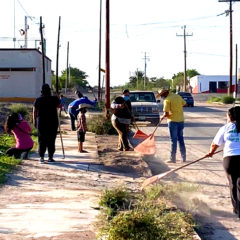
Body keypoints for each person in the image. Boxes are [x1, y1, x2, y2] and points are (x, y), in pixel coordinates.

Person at [206, 106, 240, 218]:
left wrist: (211, 152)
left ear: (229, 116)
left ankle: (237, 209)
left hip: (230, 159)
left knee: (233, 184)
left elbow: (215, 143)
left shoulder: (225, 128)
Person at [33, 84, 60, 164]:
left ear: (42, 91)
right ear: (49, 91)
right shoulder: (54, 99)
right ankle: (50, 157)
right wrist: (57, 96)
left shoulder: (38, 99)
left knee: (42, 139)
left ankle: (41, 157)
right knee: (51, 139)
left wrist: (34, 121)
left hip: (41, 122)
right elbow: (59, 106)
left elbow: (34, 111)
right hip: (52, 122)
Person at [158, 88, 187, 163]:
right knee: (181, 139)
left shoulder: (167, 100)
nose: (161, 97)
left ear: (165, 94)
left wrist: (162, 117)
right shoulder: (177, 96)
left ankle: (172, 158)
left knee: (173, 140)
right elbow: (185, 104)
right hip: (181, 120)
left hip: (173, 121)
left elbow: (166, 114)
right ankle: (183, 158)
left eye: (162, 95)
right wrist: (177, 108)